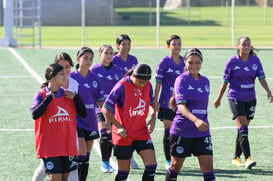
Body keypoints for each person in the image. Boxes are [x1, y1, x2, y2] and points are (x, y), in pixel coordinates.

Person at [213, 36, 273, 169]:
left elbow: (261, 78)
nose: (246, 47)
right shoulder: (232, 62)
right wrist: (218, 99)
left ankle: (236, 157)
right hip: (235, 98)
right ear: (238, 46)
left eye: (248, 45)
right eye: (243, 45)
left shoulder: (255, 61)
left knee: (242, 130)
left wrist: (269, 91)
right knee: (244, 129)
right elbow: (225, 82)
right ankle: (248, 158)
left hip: (251, 99)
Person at [165, 48, 216, 181]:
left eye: (197, 62)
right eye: (190, 62)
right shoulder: (181, 80)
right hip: (183, 130)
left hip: (202, 132)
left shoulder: (205, 81)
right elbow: (181, 107)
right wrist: (196, 120)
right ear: (185, 63)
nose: (193, 65)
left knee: (208, 168)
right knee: (175, 166)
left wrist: (201, 122)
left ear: (201, 63)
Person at [30, 63, 86, 181]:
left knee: (64, 178)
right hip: (50, 147)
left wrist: (76, 98)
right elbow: (34, 114)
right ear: (52, 77)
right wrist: (48, 99)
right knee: (56, 178)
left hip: (68, 145)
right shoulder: (41, 94)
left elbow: (83, 113)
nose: (65, 77)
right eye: (62, 74)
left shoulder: (69, 95)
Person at [101, 63, 157, 181]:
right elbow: (105, 108)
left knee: (152, 166)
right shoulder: (121, 87)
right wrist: (118, 126)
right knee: (123, 173)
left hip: (141, 132)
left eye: (145, 82)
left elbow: (152, 103)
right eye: (141, 82)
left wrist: (153, 118)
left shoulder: (147, 85)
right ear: (134, 76)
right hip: (123, 135)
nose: (143, 85)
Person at [70, 47, 105, 180]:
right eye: (85, 58)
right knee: (82, 153)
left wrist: (107, 118)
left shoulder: (95, 78)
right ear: (78, 59)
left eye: (91, 58)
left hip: (91, 121)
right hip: (76, 121)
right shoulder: (71, 78)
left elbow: (100, 101)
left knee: (86, 156)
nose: (88, 61)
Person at [90, 45, 123, 173]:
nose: (109, 55)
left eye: (111, 53)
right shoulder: (94, 70)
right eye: (106, 53)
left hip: (114, 108)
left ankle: (123, 159)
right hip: (99, 107)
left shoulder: (117, 70)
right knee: (105, 134)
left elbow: (122, 88)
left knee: (117, 135)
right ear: (100, 54)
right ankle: (105, 162)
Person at [154, 34, 185, 169]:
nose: (177, 47)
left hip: (181, 103)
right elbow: (158, 83)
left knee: (178, 131)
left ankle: (176, 157)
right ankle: (168, 160)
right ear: (168, 46)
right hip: (166, 102)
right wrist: (155, 101)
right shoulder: (164, 62)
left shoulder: (185, 62)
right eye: (174, 44)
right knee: (168, 131)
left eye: (179, 44)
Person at [112, 33, 139, 169]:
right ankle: (118, 157)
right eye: (123, 44)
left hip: (131, 97)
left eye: (128, 44)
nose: (126, 46)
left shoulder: (134, 59)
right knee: (118, 126)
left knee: (131, 126)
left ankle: (130, 156)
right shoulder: (113, 59)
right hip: (117, 97)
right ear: (117, 46)